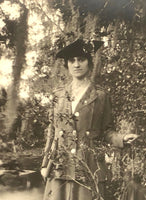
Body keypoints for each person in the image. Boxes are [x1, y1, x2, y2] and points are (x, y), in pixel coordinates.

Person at [40, 39, 138, 200]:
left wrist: (122, 138)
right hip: (59, 166)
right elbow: (53, 131)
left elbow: (106, 131)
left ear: (89, 63)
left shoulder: (100, 95)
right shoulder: (58, 94)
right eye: (72, 60)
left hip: (89, 165)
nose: (77, 64)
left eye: (81, 59)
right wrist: (45, 165)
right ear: (67, 65)